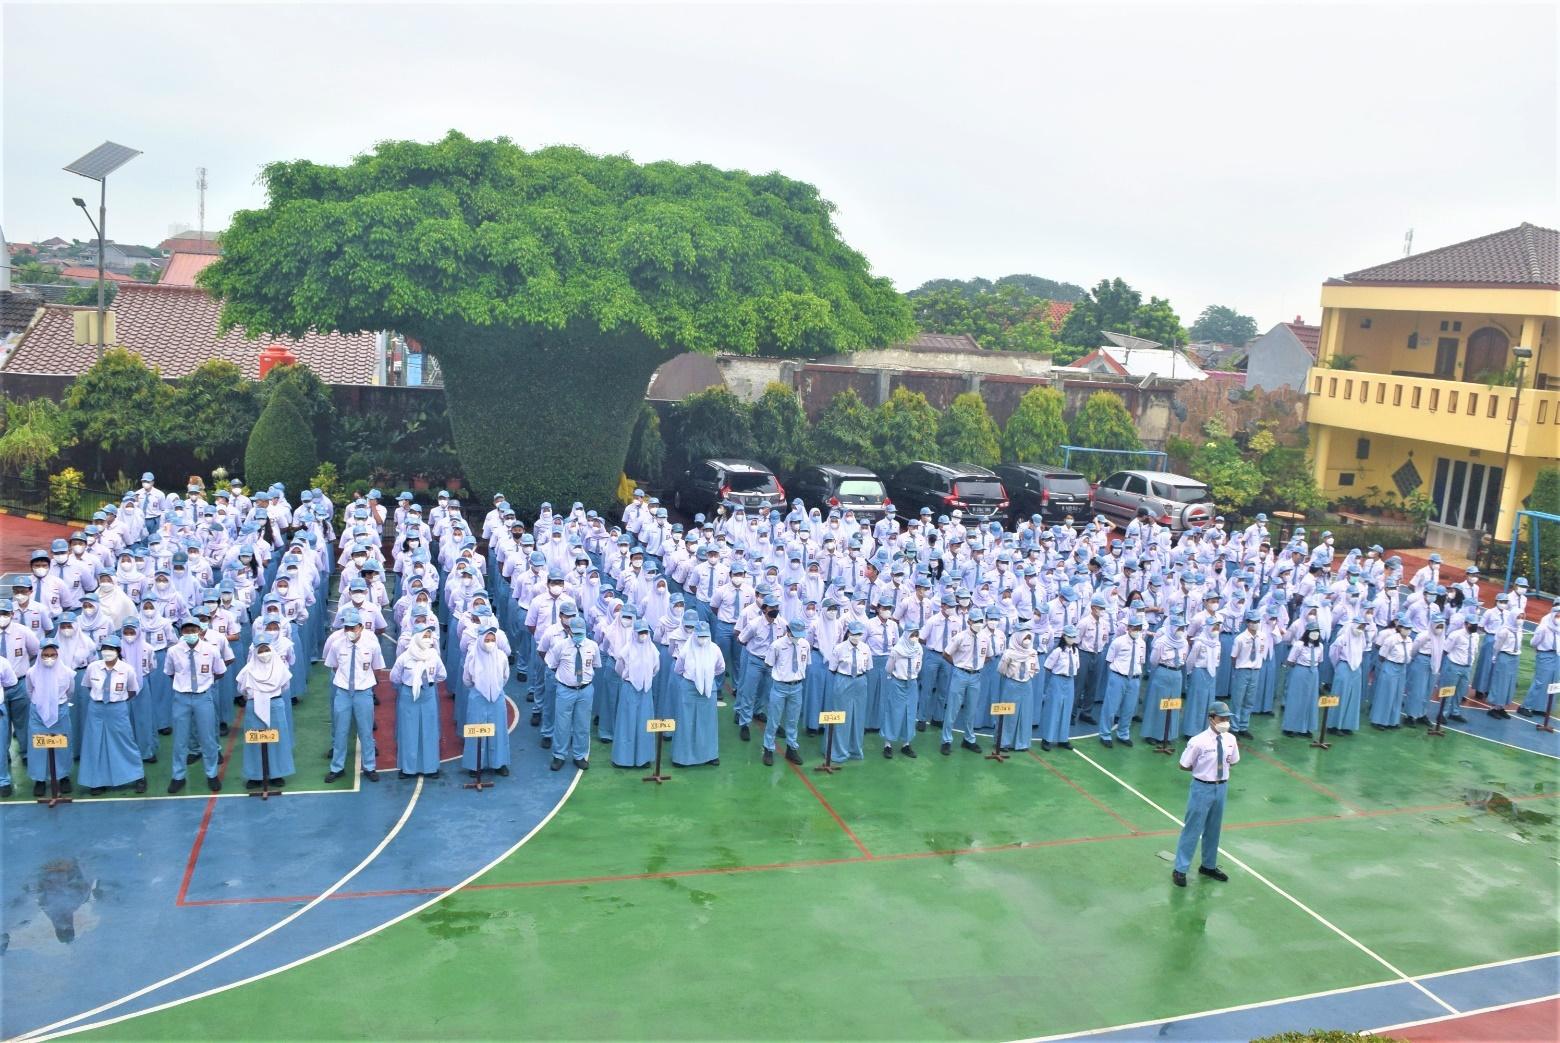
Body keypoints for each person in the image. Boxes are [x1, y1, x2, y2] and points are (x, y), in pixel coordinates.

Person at [1172, 700, 1239, 887]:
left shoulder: (1230, 740)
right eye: (1222, 718)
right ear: (1211, 719)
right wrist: (1203, 771)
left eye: (1227, 718)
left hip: (1221, 787)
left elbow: (1233, 761)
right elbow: (1183, 764)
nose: (1225, 722)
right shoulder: (1198, 741)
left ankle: (1208, 865)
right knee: (1193, 828)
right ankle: (1180, 869)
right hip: (1202, 787)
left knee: (1213, 828)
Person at [78, 634, 146, 795]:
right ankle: (97, 781)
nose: (107, 652)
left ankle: (138, 776)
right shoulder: (92, 667)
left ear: (118, 651)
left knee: (125, 742)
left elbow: (132, 691)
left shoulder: (127, 669)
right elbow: (89, 686)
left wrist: (117, 701)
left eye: (111, 649)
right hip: (96, 709)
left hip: (117, 709)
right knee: (95, 744)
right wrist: (100, 700)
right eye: (104, 649)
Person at [165, 616, 226, 793]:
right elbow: (170, 673)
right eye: (186, 631)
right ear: (181, 632)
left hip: (203, 697)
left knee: (208, 738)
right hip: (181, 698)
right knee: (180, 740)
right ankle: (178, 776)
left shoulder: (211, 650)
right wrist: (183, 686)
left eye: (193, 630)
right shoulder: (173, 651)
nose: (190, 633)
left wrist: (205, 683)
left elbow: (220, 672)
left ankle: (212, 774)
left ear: (199, 631)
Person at [324, 607, 384, 783]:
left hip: (363, 692)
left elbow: (377, 669)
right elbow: (334, 667)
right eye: (346, 628)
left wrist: (365, 685)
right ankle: (337, 767)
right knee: (341, 730)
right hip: (343, 692)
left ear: (361, 627)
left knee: (366, 731)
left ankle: (370, 766)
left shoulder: (372, 645)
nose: (349, 631)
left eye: (353, 627)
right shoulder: (336, 645)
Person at [236, 635, 295, 788]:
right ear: (255, 652)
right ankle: (254, 775)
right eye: (260, 650)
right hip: (253, 706)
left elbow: (285, 686)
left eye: (266, 649)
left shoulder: (280, 667)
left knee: (276, 739)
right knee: (254, 740)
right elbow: (241, 689)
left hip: (275, 704)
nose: (264, 653)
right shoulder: (247, 670)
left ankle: (277, 773)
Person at [391, 622, 446, 778]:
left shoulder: (433, 655)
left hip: (428, 695)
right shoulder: (405, 657)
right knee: (408, 731)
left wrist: (429, 683)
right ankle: (408, 768)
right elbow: (394, 677)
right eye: (425, 636)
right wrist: (408, 686)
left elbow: (442, 675)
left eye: (429, 636)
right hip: (408, 696)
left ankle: (430, 767)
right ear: (416, 637)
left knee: (429, 730)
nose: (428, 639)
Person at [670, 620, 724, 767]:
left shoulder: (715, 650)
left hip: (708, 690)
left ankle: (709, 755)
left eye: (705, 636)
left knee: (707, 722)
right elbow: (678, 669)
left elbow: (720, 668)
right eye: (700, 636)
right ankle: (682, 757)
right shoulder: (686, 650)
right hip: (689, 688)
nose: (703, 639)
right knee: (686, 722)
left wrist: (707, 677)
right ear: (694, 635)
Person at [462, 623, 512, 777]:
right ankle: (475, 765)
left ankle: (499, 763)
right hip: (478, 698)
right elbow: (467, 679)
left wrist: (495, 689)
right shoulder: (472, 656)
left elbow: (505, 676)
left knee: (498, 731)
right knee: (477, 731)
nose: (490, 642)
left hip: (497, 698)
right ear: (481, 640)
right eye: (487, 639)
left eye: (492, 639)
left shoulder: (501, 656)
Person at [25, 637, 74, 797]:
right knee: (37, 746)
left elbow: (70, 692)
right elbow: (30, 691)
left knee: (62, 744)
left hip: (60, 711)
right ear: (40, 655)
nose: (49, 658)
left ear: (57, 655)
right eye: (45, 655)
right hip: (37, 713)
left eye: (53, 654)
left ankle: (63, 776)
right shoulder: (31, 673)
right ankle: (39, 780)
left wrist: (57, 704)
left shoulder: (67, 672)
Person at [547, 617, 597, 772]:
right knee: (562, 725)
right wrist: (567, 679)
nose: (578, 635)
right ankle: (559, 755)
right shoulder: (560, 646)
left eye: (581, 633)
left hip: (585, 690)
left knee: (582, 724)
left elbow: (595, 665)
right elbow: (553, 665)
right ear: (568, 630)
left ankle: (580, 756)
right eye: (575, 632)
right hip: (565, 690)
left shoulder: (592, 646)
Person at [612, 620, 660, 769]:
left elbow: (655, 669)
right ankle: (623, 759)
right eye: (640, 633)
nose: (643, 635)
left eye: (645, 632)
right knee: (627, 723)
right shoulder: (626, 650)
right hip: (629, 689)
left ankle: (643, 758)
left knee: (644, 724)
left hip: (646, 690)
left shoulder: (653, 650)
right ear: (634, 634)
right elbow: (619, 669)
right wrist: (631, 678)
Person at [824, 619, 872, 761]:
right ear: (849, 633)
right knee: (840, 716)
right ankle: (837, 751)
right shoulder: (839, 648)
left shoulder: (865, 648)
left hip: (860, 682)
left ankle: (855, 749)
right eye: (854, 633)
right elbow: (832, 669)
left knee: (858, 716)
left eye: (859, 634)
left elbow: (868, 667)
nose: (857, 636)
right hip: (843, 680)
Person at [763, 618, 808, 766]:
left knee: (793, 720)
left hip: (797, 687)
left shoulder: (804, 644)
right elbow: (769, 664)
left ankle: (791, 748)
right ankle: (768, 749)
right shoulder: (777, 645)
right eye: (795, 634)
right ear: (788, 631)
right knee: (774, 720)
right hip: (780, 687)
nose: (797, 637)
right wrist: (781, 676)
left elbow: (805, 663)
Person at [1098, 614, 1147, 747]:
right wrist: (1114, 678)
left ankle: (1123, 733)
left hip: (1134, 679)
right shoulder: (1118, 642)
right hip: (1118, 677)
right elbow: (1109, 660)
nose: (1137, 630)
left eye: (1139, 628)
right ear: (1129, 627)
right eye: (1135, 627)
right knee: (1111, 707)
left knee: (1129, 708)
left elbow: (1141, 662)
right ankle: (1105, 734)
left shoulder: (1142, 643)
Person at [882, 623, 923, 758]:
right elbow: (888, 668)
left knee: (910, 713)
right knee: (894, 712)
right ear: (906, 635)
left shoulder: (918, 649)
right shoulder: (897, 650)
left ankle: (906, 744)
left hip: (912, 684)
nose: (914, 638)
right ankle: (887, 744)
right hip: (898, 683)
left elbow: (919, 666)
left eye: (916, 635)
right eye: (912, 635)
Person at [1038, 625, 1080, 751]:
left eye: (1074, 636)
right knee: (1053, 709)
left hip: (1070, 680)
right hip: (1057, 680)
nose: (1072, 639)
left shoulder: (1075, 651)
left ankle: (1063, 739)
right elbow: (1048, 666)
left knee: (1066, 710)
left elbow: (1077, 666)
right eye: (1070, 636)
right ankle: (1047, 739)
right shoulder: (1058, 651)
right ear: (1064, 636)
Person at [1282, 624, 1324, 738]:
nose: (1315, 633)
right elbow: (1290, 660)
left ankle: (1305, 728)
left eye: (1317, 631)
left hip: (1313, 673)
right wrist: (1300, 667)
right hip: (1300, 672)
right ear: (1307, 632)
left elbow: (1320, 661)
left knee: (1310, 700)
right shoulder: (1299, 645)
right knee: (1296, 699)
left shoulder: (1320, 646)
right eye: (1313, 631)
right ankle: (1289, 727)